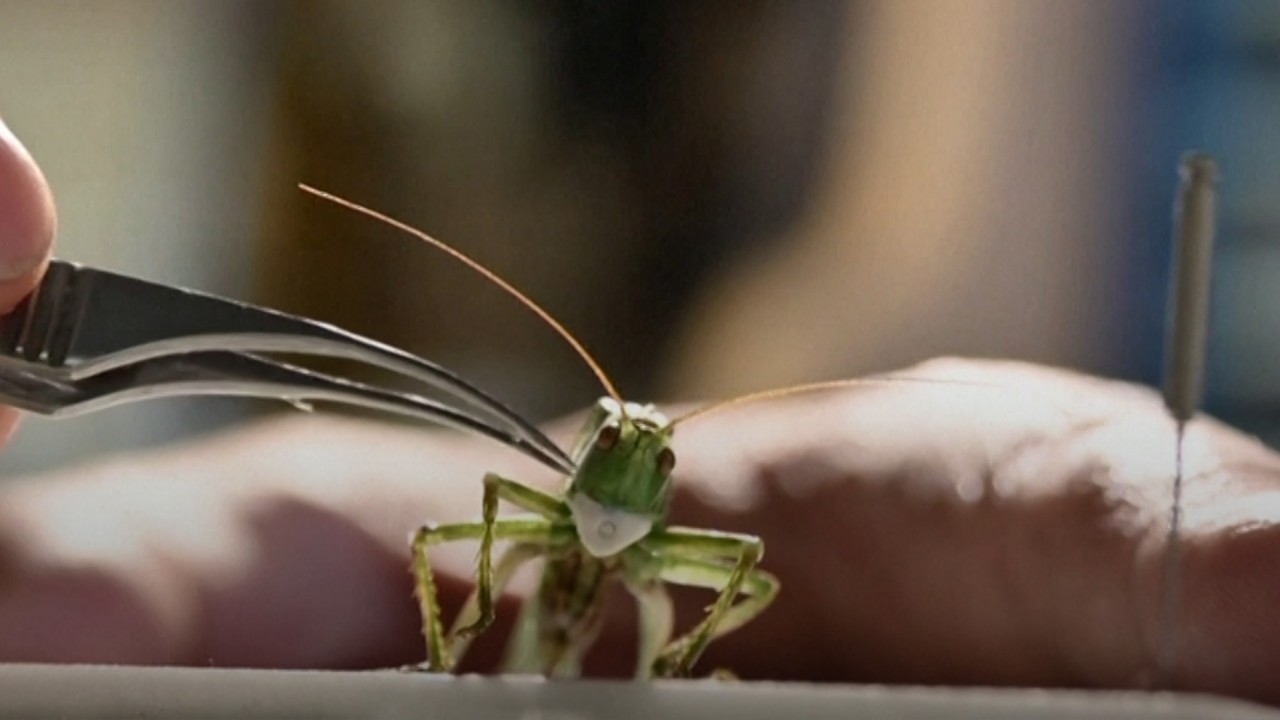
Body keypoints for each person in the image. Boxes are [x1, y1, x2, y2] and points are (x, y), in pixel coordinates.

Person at [0, 116, 1277, 706]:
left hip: (678, 615)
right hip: (527, 598)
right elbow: (472, 518)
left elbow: (758, 556)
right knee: (462, 545)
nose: (635, 454)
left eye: (642, 449)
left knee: (725, 586)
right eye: (628, 444)